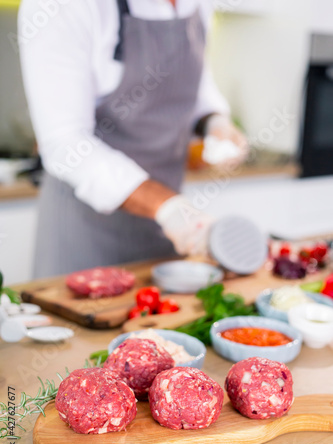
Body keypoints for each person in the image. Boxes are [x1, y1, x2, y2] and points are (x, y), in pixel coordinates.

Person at [19, 0, 247, 278]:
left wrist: (214, 120)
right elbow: (65, 143)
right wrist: (167, 206)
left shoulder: (200, 5)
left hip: (166, 232)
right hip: (86, 235)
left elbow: (197, 82)